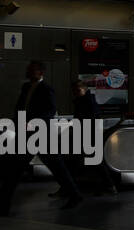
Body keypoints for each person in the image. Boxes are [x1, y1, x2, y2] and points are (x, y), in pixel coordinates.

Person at [0, 61, 83, 215]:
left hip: (41, 134)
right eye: (28, 69)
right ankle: (4, 204)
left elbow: (50, 111)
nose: (28, 71)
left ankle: (75, 194)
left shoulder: (46, 89)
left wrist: (32, 124)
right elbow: (20, 107)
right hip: (27, 135)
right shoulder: (25, 87)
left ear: (41, 72)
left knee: (54, 168)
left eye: (32, 70)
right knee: (16, 168)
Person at [72, 80, 118, 194]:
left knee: (84, 160)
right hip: (88, 133)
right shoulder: (85, 100)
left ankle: (108, 185)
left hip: (88, 134)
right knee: (92, 160)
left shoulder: (86, 101)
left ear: (84, 89)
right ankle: (108, 185)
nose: (76, 93)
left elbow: (90, 118)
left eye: (78, 90)